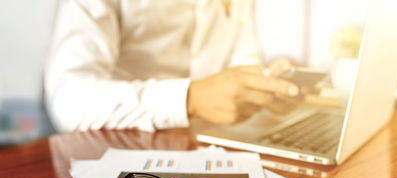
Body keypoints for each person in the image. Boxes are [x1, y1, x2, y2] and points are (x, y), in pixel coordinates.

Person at [45, 0, 299, 133]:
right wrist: (189, 99)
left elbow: (243, 60)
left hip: (206, 143)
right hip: (120, 141)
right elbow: (69, 98)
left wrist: (265, 87)